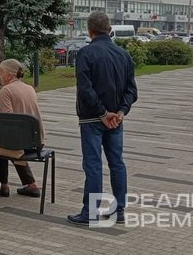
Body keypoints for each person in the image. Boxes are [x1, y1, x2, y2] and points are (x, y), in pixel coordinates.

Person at [68, 11, 138, 226]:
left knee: (93, 165)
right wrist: (120, 112)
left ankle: (90, 212)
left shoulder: (85, 54)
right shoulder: (123, 54)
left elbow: (86, 89)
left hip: (92, 119)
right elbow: (131, 90)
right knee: (117, 163)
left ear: (90, 31)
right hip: (116, 120)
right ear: (109, 29)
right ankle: (120, 211)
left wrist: (101, 113)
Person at [0, 59, 44, 198]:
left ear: (10, 75)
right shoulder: (29, 88)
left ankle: (3, 185)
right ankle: (31, 184)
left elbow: (7, 121)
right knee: (10, 145)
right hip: (36, 141)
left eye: (0, 73)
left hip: (20, 142)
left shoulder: (6, 90)